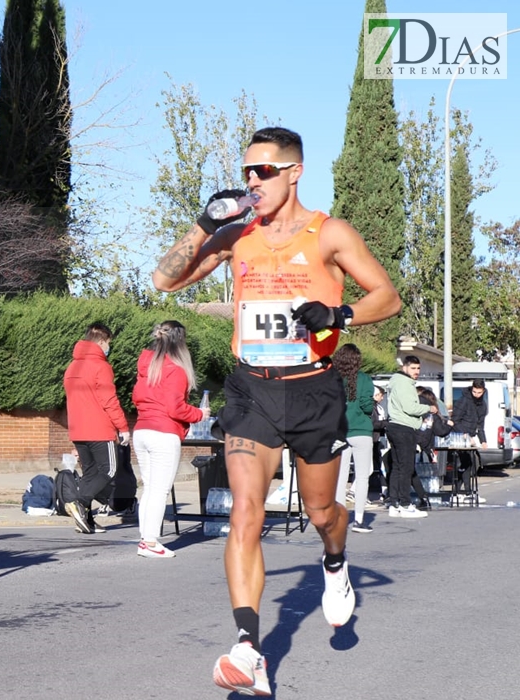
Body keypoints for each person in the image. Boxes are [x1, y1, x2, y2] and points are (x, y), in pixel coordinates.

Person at [152, 126, 401, 696]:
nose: (252, 181)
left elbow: (387, 296)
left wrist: (337, 316)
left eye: (264, 171)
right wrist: (206, 224)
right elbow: (164, 280)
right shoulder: (238, 235)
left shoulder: (330, 233)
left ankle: (334, 563)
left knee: (321, 513)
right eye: (246, 172)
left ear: (295, 172)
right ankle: (248, 647)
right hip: (251, 389)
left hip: (313, 390)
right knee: (246, 511)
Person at [130, 320, 209, 559]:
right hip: (164, 433)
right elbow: (176, 408)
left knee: (149, 488)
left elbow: (138, 399)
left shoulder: (146, 367)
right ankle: (150, 543)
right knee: (159, 490)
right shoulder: (176, 369)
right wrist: (199, 414)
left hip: (142, 430)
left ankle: (145, 539)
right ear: (180, 342)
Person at [62, 322, 130, 535]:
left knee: (90, 473)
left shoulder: (72, 367)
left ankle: (87, 521)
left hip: (78, 429)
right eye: (108, 343)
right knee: (108, 469)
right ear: (101, 342)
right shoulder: (101, 367)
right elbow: (109, 400)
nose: (108, 348)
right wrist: (123, 427)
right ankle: (79, 503)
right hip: (99, 429)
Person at [385, 356, 436, 519]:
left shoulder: (396, 381)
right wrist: (429, 408)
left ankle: (394, 504)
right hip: (403, 427)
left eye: (418, 368)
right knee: (406, 467)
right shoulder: (404, 384)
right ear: (405, 367)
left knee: (397, 467)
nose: (417, 372)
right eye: (413, 368)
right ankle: (405, 504)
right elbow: (410, 407)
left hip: (394, 425)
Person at [332, 344, 374, 534]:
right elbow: (367, 406)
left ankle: (340, 518)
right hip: (362, 431)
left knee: (340, 478)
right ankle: (359, 520)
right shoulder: (364, 379)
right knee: (362, 477)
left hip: (340, 431)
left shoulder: (332, 379)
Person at [450, 379, 489, 499]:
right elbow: (454, 421)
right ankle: (465, 492)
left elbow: (480, 425)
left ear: (483, 391)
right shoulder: (464, 401)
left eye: (479, 393)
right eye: (474, 392)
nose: (476, 395)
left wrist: (483, 440)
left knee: (468, 464)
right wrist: (465, 434)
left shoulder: (483, 405)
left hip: (470, 436)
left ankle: (460, 492)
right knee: (465, 463)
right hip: (459, 436)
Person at [371, 386, 390, 503]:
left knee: (381, 466)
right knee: (369, 468)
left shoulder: (378, 408)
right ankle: (353, 491)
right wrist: (386, 423)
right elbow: (374, 424)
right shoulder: (372, 408)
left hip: (378, 439)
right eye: (381, 395)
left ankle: (384, 491)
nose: (382, 398)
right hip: (372, 439)